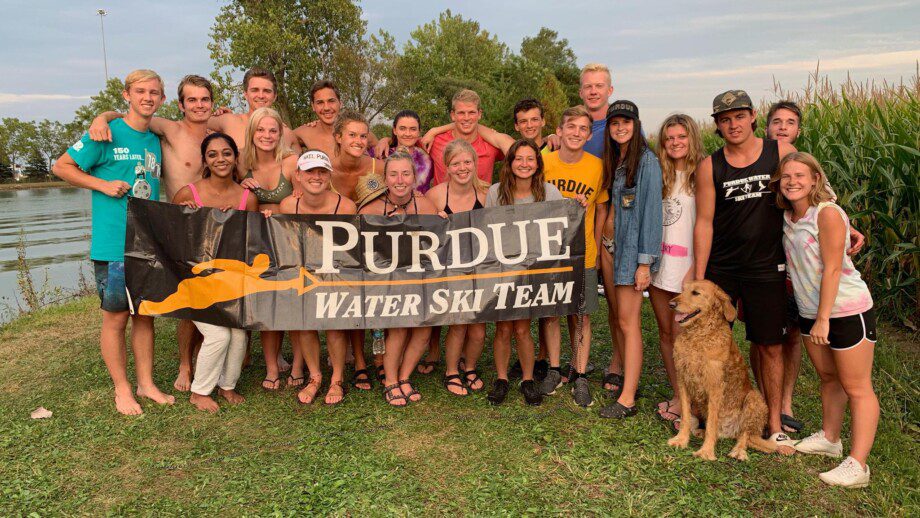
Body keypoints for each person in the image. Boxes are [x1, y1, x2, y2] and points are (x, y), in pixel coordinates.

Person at [52, 69, 175, 415]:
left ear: (162, 99)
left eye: (154, 93)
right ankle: (122, 389)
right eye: (140, 91)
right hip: (113, 245)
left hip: (146, 243)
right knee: (116, 317)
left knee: (145, 315)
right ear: (127, 95)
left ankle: (146, 383)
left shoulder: (154, 139)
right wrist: (103, 186)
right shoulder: (105, 133)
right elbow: (61, 166)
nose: (147, 98)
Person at [87, 74, 216, 392]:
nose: (199, 105)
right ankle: (178, 368)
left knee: (149, 312)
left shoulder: (217, 131)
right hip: (171, 226)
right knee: (179, 302)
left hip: (183, 230)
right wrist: (101, 116)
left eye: (205, 99)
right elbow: (133, 115)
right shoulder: (167, 130)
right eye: (192, 99)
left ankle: (150, 382)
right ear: (180, 104)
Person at [693, 89, 797, 450]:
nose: (733, 124)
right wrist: (699, 276)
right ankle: (708, 411)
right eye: (725, 119)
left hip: (767, 266)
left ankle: (773, 421)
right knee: (711, 343)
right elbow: (704, 222)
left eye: (739, 116)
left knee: (769, 344)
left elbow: (809, 187)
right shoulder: (710, 165)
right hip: (724, 267)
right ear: (718, 126)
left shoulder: (779, 153)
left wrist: (841, 222)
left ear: (753, 116)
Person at [772, 152, 878, 488]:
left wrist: (823, 320)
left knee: (857, 387)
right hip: (809, 310)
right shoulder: (788, 216)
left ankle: (858, 465)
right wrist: (813, 317)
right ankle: (831, 439)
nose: (792, 182)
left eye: (800, 176)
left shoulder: (828, 213)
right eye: (786, 176)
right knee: (829, 378)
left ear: (816, 180)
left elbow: (833, 268)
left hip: (845, 309)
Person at [762, 100, 866, 434]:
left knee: (800, 343)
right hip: (788, 281)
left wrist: (845, 226)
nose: (782, 127)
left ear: (798, 130)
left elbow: (827, 206)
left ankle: (787, 404)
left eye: (789, 122)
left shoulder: (806, 174)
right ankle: (780, 411)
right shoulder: (763, 162)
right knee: (777, 344)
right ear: (765, 126)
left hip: (833, 298)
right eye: (776, 121)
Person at [171, 132, 257, 412]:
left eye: (226, 153)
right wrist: (186, 217)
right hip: (197, 284)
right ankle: (200, 392)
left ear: (235, 158)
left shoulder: (247, 197)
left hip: (231, 284)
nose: (220, 159)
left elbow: (254, 240)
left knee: (239, 335)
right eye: (212, 154)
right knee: (219, 335)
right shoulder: (188, 193)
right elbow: (168, 236)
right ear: (205, 161)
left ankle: (227, 385)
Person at [485, 139, 566, 405]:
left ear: (538, 163)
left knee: (522, 328)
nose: (524, 164)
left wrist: (577, 207)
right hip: (503, 270)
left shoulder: (549, 192)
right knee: (503, 328)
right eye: (519, 158)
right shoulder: (496, 192)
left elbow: (562, 227)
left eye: (530, 159)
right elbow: (486, 231)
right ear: (509, 163)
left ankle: (528, 379)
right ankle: (501, 379)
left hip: (533, 272)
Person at [596, 101, 663, 419]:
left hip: (631, 254)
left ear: (636, 124)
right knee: (619, 317)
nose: (620, 127)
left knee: (628, 322)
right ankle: (623, 377)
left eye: (625, 122)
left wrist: (644, 263)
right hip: (611, 248)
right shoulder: (615, 159)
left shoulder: (646, 162)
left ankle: (628, 398)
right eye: (614, 123)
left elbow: (651, 213)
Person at [276, 150, 357, 405]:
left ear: (329, 175)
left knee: (334, 326)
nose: (316, 176)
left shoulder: (345, 206)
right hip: (304, 273)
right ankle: (315, 376)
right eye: (310, 171)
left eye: (322, 171)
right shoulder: (288, 205)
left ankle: (337, 378)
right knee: (305, 324)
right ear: (298, 176)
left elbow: (353, 248)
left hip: (335, 272)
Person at [358, 150, 439, 406]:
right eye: (393, 174)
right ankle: (391, 381)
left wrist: (446, 220)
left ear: (415, 178)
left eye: (405, 173)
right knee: (401, 326)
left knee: (424, 330)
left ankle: (404, 377)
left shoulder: (425, 205)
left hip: (420, 278)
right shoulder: (372, 208)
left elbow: (441, 237)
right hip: (388, 282)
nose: (400, 180)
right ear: (385, 178)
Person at [540, 105, 608, 407]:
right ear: (560, 130)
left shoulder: (596, 166)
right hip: (550, 252)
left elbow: (602, 206)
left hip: (583, 252)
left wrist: (596, 241)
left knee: (581, 315)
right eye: (571, 127)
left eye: (583, 128)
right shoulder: (544, 161)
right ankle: (554, 368)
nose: (577, 133)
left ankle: (580, 373)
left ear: (589, 133)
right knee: (552, 313)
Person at [643, 114, 703, 425]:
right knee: (666, 334)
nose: (675, 143)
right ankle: (679, 395)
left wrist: (695, 270)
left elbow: (709, 225)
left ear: (692, 138)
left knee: (687, 339)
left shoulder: (702, 175)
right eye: (669, 138)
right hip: (660, 268)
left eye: (681, 136)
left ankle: (692, 403)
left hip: (688, 271)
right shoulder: (659, 175)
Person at [237, 107, 301, 391]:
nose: (266, 135)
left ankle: (298, 366)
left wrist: (278, 210)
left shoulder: (291, 162)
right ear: (251, 132)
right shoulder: (240, 163)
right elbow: (228, 195)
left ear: (280, 134)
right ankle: (272, 366)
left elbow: (307, 197)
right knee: (267, 305)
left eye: (272, 130)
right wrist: (240, 185)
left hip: (289, 240)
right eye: (260, 130)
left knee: (295, 303)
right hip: (257, 243)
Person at [425, 140, 488, 396]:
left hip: (481, 270)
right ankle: (452, 370)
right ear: (447, 167)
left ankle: (469, 366)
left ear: (475, 163)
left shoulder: (487, 194)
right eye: (455, 164)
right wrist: (434, 221)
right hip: (449, 271)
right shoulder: (436, 195)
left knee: (479, 330)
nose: (462, 168)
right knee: (458, 324)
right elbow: (423, 236)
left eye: (467, 162)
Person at [425, 89, 505, 186]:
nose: (466, 118)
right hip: (442, 200)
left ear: (479, 114)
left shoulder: (491, 144)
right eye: (461, 113)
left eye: (471, 112)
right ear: (453, 115)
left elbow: (519, 157)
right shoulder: (435, 141)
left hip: (481, 200)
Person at [209, 67, 300, 152]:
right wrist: (216, 114)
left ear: (275, 96)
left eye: (267, 91)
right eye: (255, 90)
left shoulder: (286, 133)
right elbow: (197, 122)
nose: (261, 96)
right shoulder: (228, 121)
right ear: (245, 94)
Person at [293, 80, 378, 158]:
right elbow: (281, 135)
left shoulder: (360, 134)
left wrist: (387, 140)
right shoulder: (304, 133)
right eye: (320, 102)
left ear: (340, 103)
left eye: (331, 101)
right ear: (313, 106)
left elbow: (385, 152)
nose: (326, 107)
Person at [330, 110, 381, 200]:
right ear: (338, 138)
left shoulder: (378, 168)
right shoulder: (326, 171)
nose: (359, 141)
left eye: (363, 136)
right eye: (352, 135)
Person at [383, 110, 434, 193]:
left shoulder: (427, 159)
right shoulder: (383, 154)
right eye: (402, 128)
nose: (407, 133)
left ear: (419, 132)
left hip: (421, 205)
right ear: (395, 130)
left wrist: (435, 130)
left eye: (413, 129)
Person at [579, 63, 615, 158]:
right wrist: (549, 138)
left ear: (610, 90)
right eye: (588, 86)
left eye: (599, 86)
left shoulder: (625, 128)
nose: (593, 92)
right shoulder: (570, 127)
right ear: (581, 93)